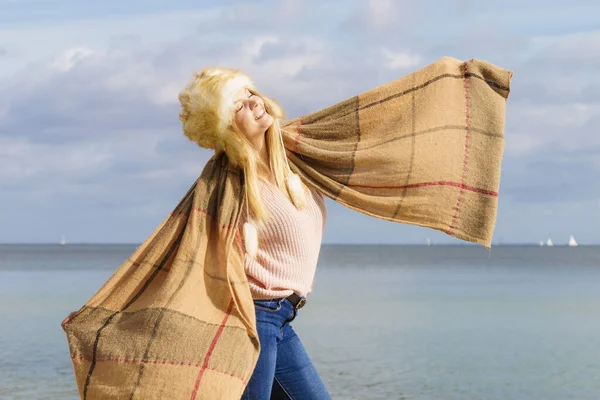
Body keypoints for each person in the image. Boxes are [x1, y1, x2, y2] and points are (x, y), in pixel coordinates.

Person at [178, 68, 331, 399]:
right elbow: (190, 248)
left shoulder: (294, 162)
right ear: (227, 130)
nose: (252, 102)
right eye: (237, 106)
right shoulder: (230, 184)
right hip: (254, 318)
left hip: (281, 319)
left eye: (249, 93)